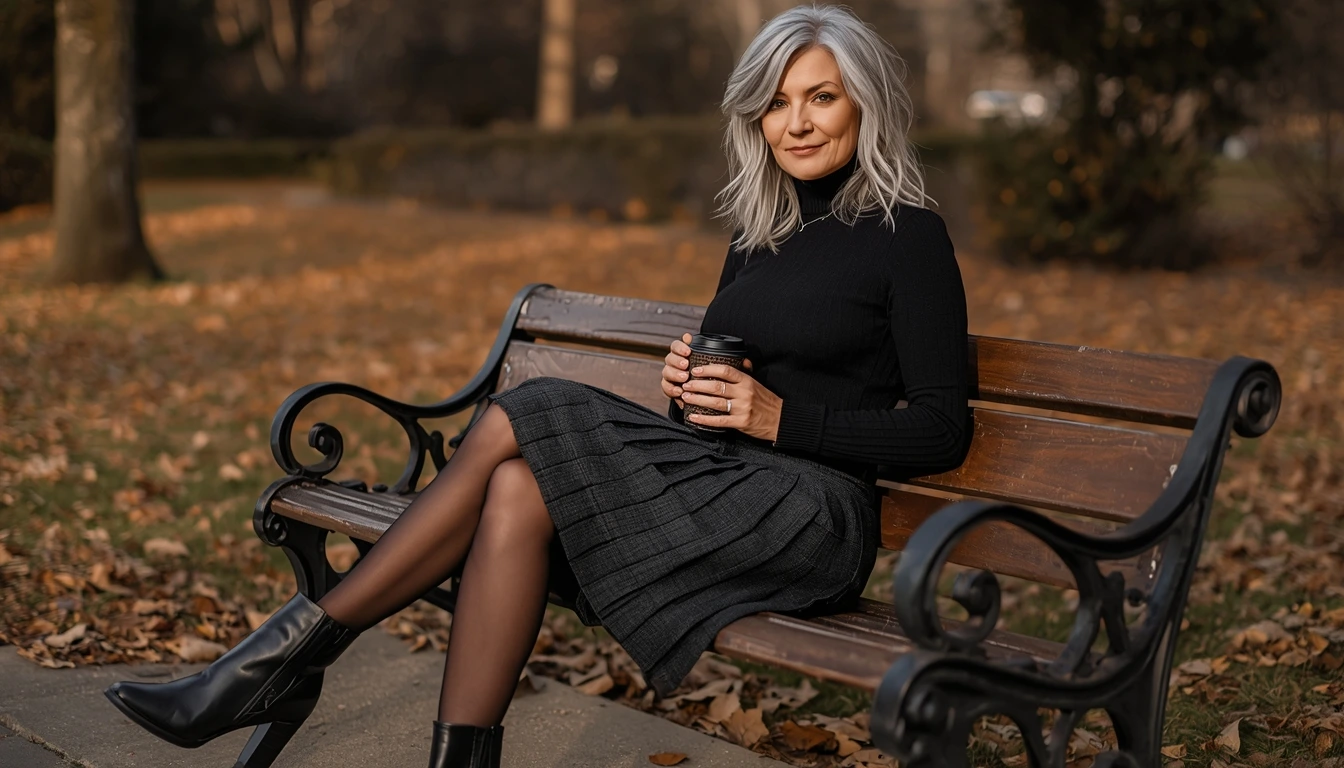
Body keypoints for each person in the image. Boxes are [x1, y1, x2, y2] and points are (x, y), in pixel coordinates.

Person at [102, 5, 972, 767]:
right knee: (515, 486)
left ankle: (271, 668)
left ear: (865, 100)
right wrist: (688, 387)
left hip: (814, 515)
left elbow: (941, 430)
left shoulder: (908, 236)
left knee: (530, 411)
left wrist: (785, 421)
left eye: (821, 96)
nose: (798, 122)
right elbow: (727, 400)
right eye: (778, 103)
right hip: (732, 484)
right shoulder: (761, 231)